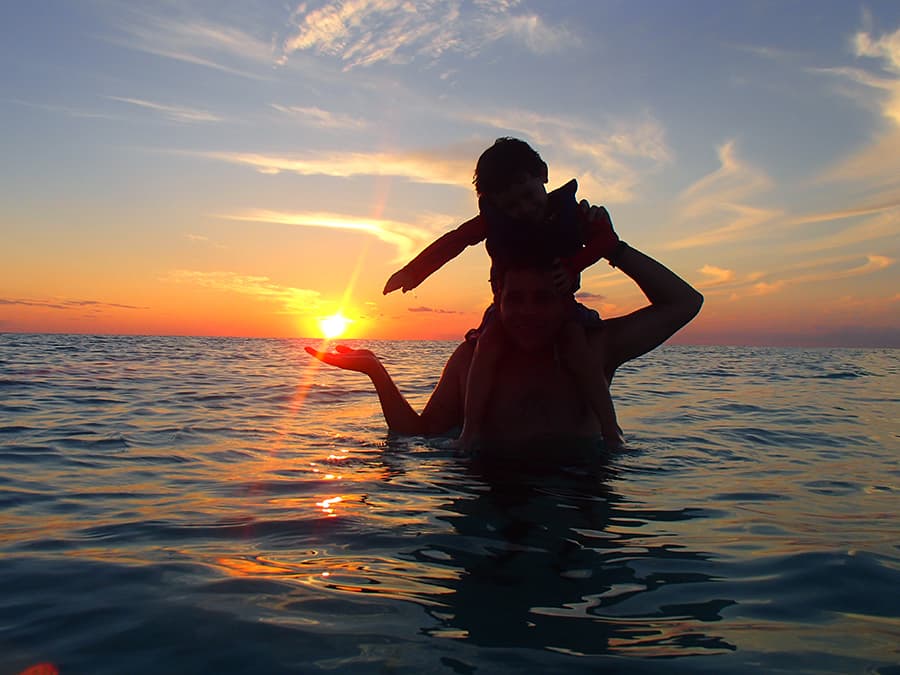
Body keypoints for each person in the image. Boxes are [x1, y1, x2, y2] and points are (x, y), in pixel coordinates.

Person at [306, 203, 703, 454]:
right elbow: (419, 433)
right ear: (497, 298)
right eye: (516, 300)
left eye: (542, 299)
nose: (528, 313)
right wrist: (374, 370)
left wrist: (612, 248)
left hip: (575, 514)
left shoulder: (594, 348)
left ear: (565, 299)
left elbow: (685, 303)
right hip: (492, 508)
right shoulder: (472, 359)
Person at [383, 138, 622, 448]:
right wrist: (414, 272)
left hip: (562, 307)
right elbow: (456, 240)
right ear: (496, 204)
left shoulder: (574, 216)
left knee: (576, 344)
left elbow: (607, 240)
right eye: (511, 205)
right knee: (488, 344)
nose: (524, 209)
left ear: (543, 174)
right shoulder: (494, 221)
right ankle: (471, 432)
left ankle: (611, 431)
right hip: (506, 310)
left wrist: (574, 265)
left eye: (528, 195)